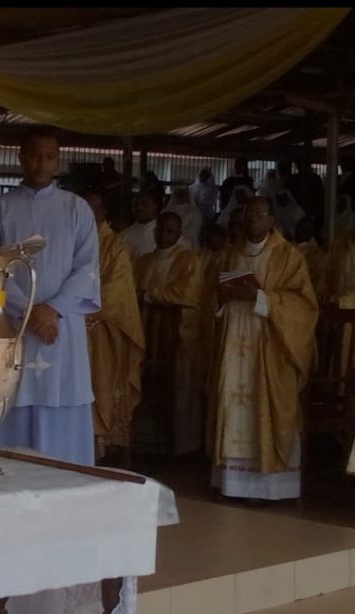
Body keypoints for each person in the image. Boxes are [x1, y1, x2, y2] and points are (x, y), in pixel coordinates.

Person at [0, 125, 100, 466]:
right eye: (34, 155)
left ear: (57, 161)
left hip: (62, 328)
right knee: (11, 399)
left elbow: (87, 269)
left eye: (49, 157)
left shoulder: (77, 210)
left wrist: (53, 310)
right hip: (13, 325)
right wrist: (30, 310)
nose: (41, 163)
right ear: (21, 157)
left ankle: (69, 487)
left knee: (62, 401)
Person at [207, 196, 318, 501]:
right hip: (234, 339)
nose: (253, 221)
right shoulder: (229, 255)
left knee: (268, 406)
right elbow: (210, 295)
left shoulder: (288, 256)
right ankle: (233, 484)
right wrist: (221, 299)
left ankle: (270, 488)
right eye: (248, 215)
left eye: (260, 215)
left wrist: (262, 297)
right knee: (234, 405)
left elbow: (304, 306)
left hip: (270, 344)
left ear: (272, 220)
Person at [81, 190, 144, 462]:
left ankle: (102, 445)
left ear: (104, 213)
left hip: (101, 330)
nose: (88, 214)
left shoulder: (115, 245)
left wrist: (84, 310)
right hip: (72, 326)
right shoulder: (71, 240)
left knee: (101, 383)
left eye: (94, 209)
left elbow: (118, 288)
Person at [134, 212, 204, 455]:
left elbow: (189, 293)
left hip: (174, 334)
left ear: (179, 233)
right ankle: (147, 438)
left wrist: (152, 295)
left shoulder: (189, 260)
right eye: (160, 231)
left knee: (176, 385)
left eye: (170, 231)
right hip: (146, 331)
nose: (163, 236)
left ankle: (179, 444)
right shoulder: (143, 261)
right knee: (147, 384)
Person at [294, 216, 330, 303]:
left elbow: (319, 283)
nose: (300, 231)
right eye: (299, 228)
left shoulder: (318, 255)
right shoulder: (285, 248)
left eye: (305, 229)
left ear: (311, 233)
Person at [164, 183, 203, 250]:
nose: (180, 196)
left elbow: (193, 231)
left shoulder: (195, 212)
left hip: (188, 246)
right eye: (178, 194)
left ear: (188, 196)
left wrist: (173, 235)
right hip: (167, 244)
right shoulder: (166, 212)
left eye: (183, 194)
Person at [122, 191, 159, 258]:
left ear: (155, 206)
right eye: (136, 205)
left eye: (144, 204)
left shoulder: (165, 233)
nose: (139, 208)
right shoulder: (124, 235)